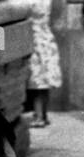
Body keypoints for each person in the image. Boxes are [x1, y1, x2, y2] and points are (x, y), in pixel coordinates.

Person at [26, 0, 62, 128]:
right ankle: (43, 114)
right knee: (44, 81)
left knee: (37, 81)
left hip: (35, 39)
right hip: (46, 39)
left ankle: (39, 116)